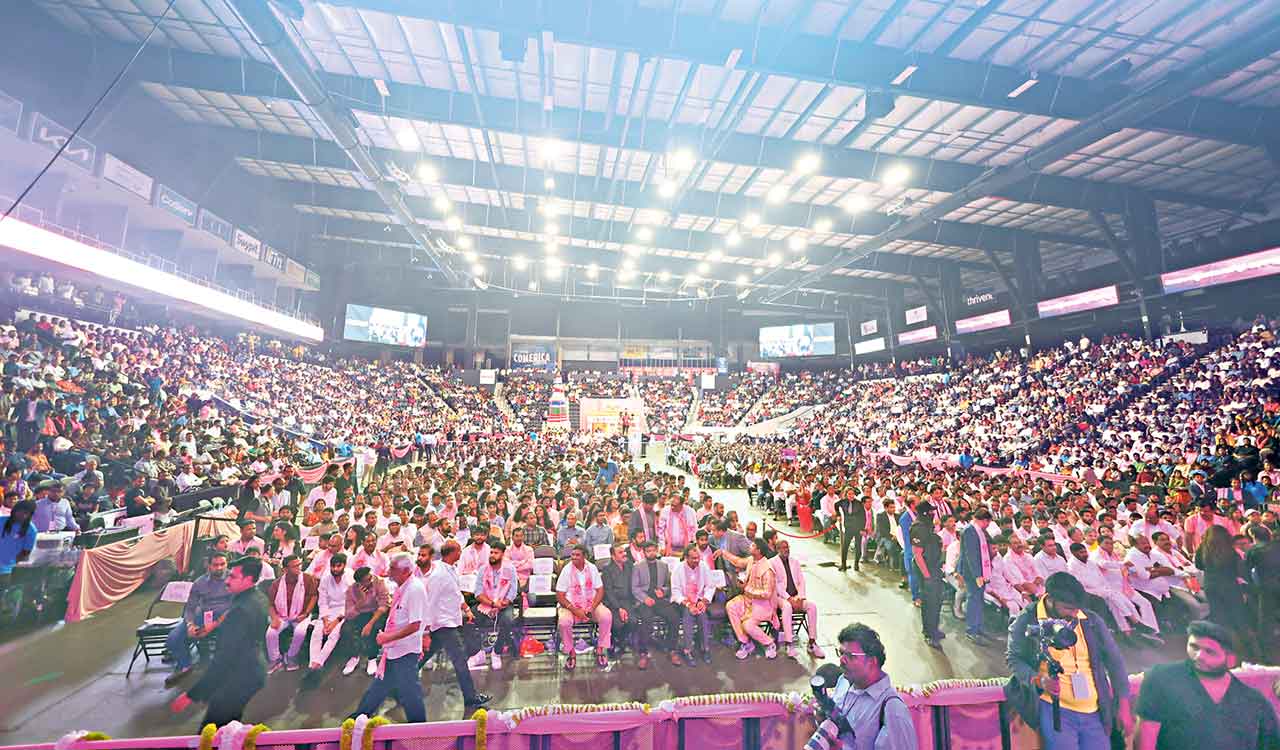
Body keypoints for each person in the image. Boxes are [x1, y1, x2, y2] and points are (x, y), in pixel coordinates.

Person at [1005, 572, 1133, 750]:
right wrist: (1038, 680)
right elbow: (1014, 658)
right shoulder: (1027, 619)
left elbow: (1115, 662)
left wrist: (1124, 705)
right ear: (1049, 599)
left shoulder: (1091, 620)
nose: (1074, 614)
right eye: (1068, 608)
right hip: (1055, 710)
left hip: (1095, 710)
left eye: (1076, 608)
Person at [1135, 620, 1280, 750]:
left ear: (1230, 660)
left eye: (1210, 652)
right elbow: (1145, 740)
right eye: (1194, 647)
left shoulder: (1254, 702)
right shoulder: (1162, 679)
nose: (1199, 656)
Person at [170, 556, 269, 728]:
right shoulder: (257, 597)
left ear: (248, 579)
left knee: (213, 728)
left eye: (233, 577)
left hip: (242, 674)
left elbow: (223, 659)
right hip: (251, 668)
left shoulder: (240, 611)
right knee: (229, 722)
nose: (227, 581)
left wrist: (191, 695)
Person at [812, 623, 917, 750]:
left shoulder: (892, 711)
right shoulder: (844, 681)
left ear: (872, 661)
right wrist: (823, 718)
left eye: (850, 656)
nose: (842, 660)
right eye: (841, 653)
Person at [351, 553, 428, 723]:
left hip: (405, 650)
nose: (388, 571)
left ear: (406, 571)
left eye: (393, 569)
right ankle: (358, 717)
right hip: (394, 649)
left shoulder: (414, 590)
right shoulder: (402, 587)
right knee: (379, 687)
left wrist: (387, 637)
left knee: (410, 693)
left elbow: (415, 625)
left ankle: (420, 729)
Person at [423, 540, 491, 708]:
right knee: (460, 659)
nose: (461, 554)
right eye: (459, 551)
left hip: (449, 621)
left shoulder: (451, 569)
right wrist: (426, 630)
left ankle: (396, 687)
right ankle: (470, 697)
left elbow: (455, 593)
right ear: (452, 553)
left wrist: (466, 609)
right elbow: (430, 602)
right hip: (442, 623)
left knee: (422, 657)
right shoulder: (438, 574)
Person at [164, 551, 233, 686]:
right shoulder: (199, 583)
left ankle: (229, 668)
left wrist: (215, 624)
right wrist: (190, 624)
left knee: (231, 638)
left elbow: (237, 604)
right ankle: (184, 665)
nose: (219, 568)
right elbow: (190, 608)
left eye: (222, 564)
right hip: (206, 615)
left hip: (229, 616)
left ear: (227, 564)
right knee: (173, 638)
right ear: (209, 565)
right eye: (215, 565)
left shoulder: (234, 579)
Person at [556, 543, 613, 670]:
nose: (573, 557)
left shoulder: (592, 568)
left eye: (577, 555)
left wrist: (592, 607)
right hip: (570, 606)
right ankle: (571, 652)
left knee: (606, 616)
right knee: (564, 622)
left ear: (585, 557)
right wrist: (575, 610)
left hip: (590, 605)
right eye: (572, 555)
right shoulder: (566, 570)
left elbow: (600, 590)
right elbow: (559, 595)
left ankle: (600, 649)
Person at [1194, 524, 1251, 647]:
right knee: (1238, 615)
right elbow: (1238, 569)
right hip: (1229, 585)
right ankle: (1247, 647)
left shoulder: (1203, 549)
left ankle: (1224, 646)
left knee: (1218, 615)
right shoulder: (1230, 550)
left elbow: (1198, 565)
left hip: (1211, 585)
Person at [727, 537, 779, 660]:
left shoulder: (767, 569)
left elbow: (767, 593)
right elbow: (738, 562)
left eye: (753, 546)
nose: (750, 546)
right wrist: (723, 553)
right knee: (730, 606)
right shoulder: (751, 559)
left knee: (747, 625)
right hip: (748, 599)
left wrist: (748, 589)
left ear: (758, 550)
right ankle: (745, 642)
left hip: (763, 605)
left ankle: (769, 643)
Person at [771, 539, 824, 658]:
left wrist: (800, 597)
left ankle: (812, 642)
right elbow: (776, 584)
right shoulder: (772, 562)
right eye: (783, 547)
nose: (786, 550)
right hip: (781, 598)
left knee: (812, 606)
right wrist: (789, 598)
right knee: (787, 607)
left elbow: (801, 581)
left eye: (787, 547)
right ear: (777, 549)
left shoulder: (795, 562)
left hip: (796, 597)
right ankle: (789, 644)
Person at [471, 540, 518, 670]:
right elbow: (478, 593)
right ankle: (478, 652)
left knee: (507, 621)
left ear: (503, 554)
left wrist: (504, 602)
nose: (492, 555)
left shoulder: (510, 569)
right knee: (469, 619)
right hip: (486, 603)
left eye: (496, 553)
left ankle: (496, 652)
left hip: (503, 604)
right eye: (491, 552)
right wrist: (492, 603)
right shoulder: (483, 569)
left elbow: (513, 591)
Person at [266, 554, 318, 672]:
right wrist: (274, 618)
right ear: (285, 570)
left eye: (299, 565)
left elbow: (314, 596)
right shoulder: (276, 584)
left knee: (300, 632)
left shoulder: (307, 579)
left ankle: (291, 656)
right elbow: (271, 604)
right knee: (270, 633)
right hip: (281, 616)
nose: (299, 568)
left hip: (301, 615)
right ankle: (275, 659)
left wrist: (306, 613)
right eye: (295, 566)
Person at [307, 552, 353, 675]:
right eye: (333, 566)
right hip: (328, 610)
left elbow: (350, 603)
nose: (335, 569)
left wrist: (335, 622)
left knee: (334, 634)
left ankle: (319, 662)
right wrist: (325, 619)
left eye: (338, 566)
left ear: (344, 565)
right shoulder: (326, 578)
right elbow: (322, 601)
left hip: (344, 611)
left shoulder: (350, 577)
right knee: (317, 632)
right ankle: (312, 663)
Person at [670, 543, 715, 665]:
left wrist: (703, 601)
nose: (697, 560)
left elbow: (710, 586)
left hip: (699, 600)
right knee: (688, 615)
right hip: (683, 601)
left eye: (698, 558)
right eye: (693, 558)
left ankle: (705, 649)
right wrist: (689, 605)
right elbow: (675, 591)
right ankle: (687, 650)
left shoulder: (703, 566)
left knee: (702, 616)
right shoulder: (678, 569)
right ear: (686, 558)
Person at [340, 566, 390, 676]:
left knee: (373, 628)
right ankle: (354, 657)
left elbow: (384, 605)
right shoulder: (351, 590)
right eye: (367, 580)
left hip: (376, 613)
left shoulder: (378, 583)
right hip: (359, 614)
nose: (370, 581)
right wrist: (361, 601)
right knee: (346, 629)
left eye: (370, 577)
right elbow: (348, 614)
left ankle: (372, 658)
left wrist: (370, 623)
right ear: (359, 583)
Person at [909, 502, 944, 649]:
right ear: (925, 513)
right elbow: (917, 555)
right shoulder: (918, 528)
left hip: (934, 567)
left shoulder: (927, 526)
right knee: (929, 602)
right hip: (926, 569)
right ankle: (929, 633)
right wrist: (927, 576)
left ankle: (934, 628)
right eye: (930, 512)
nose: (933, 514)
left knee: (937, 600)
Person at [958, 508, 994, 643]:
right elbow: (970, 555)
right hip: (972, 572)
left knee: (979, 599)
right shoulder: (969, 531)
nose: (988, 525)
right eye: (987, 522)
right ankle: (971, 630)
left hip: (981, 570)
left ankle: (978, 626)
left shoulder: (980, 530)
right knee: (973, 599)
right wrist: (977, 575)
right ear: (983, 520)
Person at [600, 543, 635, 657]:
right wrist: (619, 608)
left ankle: (621, 641)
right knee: (617, 624)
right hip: (612, 602)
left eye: (624, 551)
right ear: (613, 556)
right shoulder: (607, 569)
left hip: (627, 601)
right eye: (620, 552)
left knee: (632, 621)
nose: (624, 554)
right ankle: (613, 641)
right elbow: (608, 591)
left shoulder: (630, 565)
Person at [835, 489, 868, 572]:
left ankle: (856, 564)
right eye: (849, 494)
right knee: (845, 546)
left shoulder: (859, 503)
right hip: (848, 527)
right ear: (846, 494)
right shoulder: (843, 502)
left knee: (858, 546)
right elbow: (836, 505)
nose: (851, 495)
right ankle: (843, 564)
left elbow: (863, 517)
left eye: (852, 494)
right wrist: (838, 515)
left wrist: (862, 529)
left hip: (858, 527)